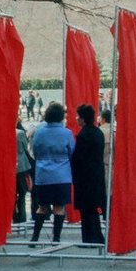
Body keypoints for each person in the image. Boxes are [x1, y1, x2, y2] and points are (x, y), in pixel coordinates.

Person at [30, 102, 76, 244]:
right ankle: (56, 237)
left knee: (42, 207)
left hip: (43, 175)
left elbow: (35, 151)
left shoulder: (39, 132)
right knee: (59, 207)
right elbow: (71, 152)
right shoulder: (67, 133)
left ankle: (35, 237)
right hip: (62, 175)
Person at [70, 104, 106, 245]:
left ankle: (89, 238)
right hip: (97, 174)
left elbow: (78, 158)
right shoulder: (98, 132)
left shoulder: (83, 135)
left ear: (83, 119)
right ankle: (96, 237)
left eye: (78, 116)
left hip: (85, 177)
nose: (76, 118)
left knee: (86, 210)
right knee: (92, 209)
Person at [13, 119, 32, 225]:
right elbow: (26, 148)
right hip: (21, 166)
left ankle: (13, 216)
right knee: (22, 193)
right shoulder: (19, 133)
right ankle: (22, 216)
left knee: (13, 194)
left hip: (11, 165)